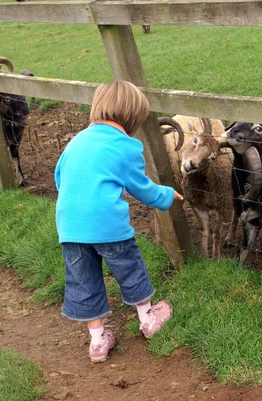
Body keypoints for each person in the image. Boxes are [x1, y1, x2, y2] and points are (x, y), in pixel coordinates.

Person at [54, 80, 183, 363]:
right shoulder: (126, 147)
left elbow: (59, 178)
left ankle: (98, 342)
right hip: (108, 226)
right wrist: (166, 195)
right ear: (133, 119)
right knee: (129, 268)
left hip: (70, 227)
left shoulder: (76, 141)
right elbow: (141, 187)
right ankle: (149, 319)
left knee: (84, 280)